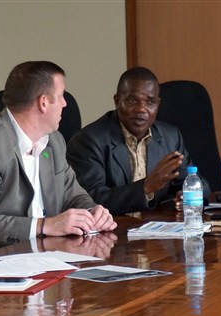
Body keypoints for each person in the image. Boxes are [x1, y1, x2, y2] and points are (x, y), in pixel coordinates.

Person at [0, 60, 117, 247]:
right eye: (61, 96)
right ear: (43, 103)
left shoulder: (54, 141)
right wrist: (44, 226)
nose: (65, 104)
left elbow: (72, 195)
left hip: (47, 256)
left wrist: (92, 213)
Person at [66, 67, 211, 216]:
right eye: (132, 100)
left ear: (158, 104)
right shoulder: (89, 141)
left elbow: (196, 181)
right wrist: (145, 188)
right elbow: (91, 200)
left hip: (153, 230)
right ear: (117, 101)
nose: (141, 109)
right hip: (110, 231)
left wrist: (189, 195)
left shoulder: (170, 137)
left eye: (150, 102)